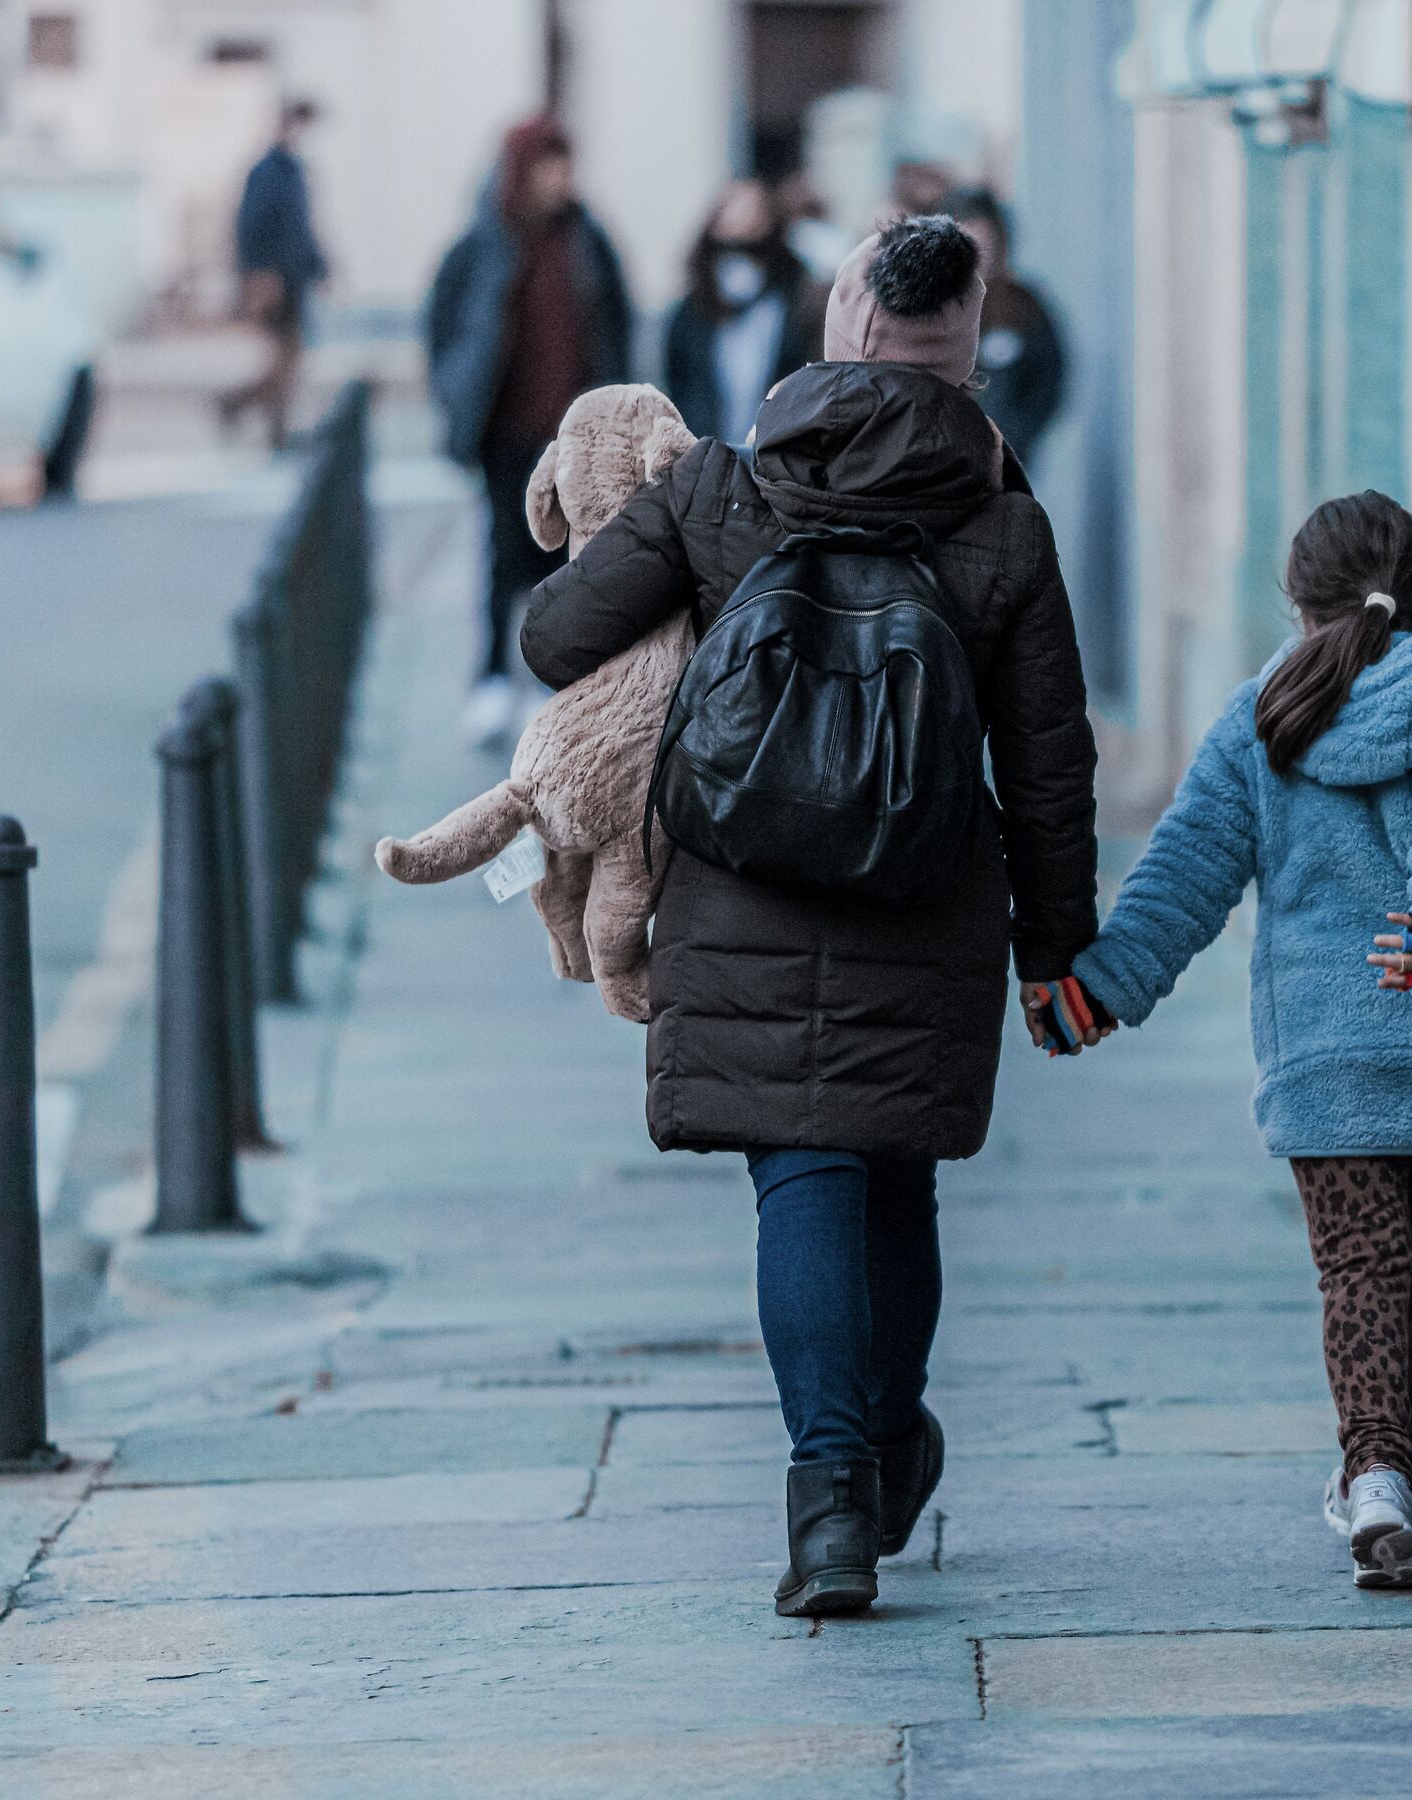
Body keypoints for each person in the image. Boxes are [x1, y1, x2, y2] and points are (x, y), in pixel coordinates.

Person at [520, 217, 1100, 1616]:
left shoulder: (720, 489)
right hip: (928, 896)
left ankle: (830, 1499)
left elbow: (552, 637)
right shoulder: (1005, 520)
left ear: (844, 319)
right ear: (964, 346)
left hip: (744, 894)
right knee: (894, 1173)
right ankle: (888, 1444)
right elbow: (1046, 758)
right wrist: (1057, 955)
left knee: (804, 1175)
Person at [1056, 490, 1412, 1591]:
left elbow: (1182, 878)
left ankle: (1374, 1472)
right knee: (1405, 1270)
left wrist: (1099, 994)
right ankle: (1382, 1477)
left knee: (1361, 1265)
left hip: (1327, 1050)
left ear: (1298, 600)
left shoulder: (1259, 716)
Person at [426, 117, 633, 747]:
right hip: (505, 429)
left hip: (573, 435)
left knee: (568, 557)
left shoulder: (588, 241)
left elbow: (616, 325)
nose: (561, 178)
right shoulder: (483, 244)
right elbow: (443, 327)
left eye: (565, 163)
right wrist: (457, 400)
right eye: (549, 164)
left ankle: (554, 678)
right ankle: (491, 678)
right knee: (504, 553)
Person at [661, 180, 828, 446]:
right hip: (706, 452)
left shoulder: (795, 300)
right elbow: (679, 385)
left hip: (778, 452)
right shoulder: (691, 310)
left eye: (756, 212)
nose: (746, 218)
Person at [219, 99, 328, 453]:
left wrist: (320, 267)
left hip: (294, 279)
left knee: (288, 358)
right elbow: (253, 228)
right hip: (276, 282)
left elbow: (302, 230)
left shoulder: (293, 172)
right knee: (285, 358)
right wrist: (259, 275)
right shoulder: (269, 173)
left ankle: (270, 425)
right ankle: (245, 411)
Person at [947, 189, 1067, 475]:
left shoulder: (1023, 305)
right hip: (945, 465)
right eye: (971, 241)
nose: (980, 252)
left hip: (1006, 463)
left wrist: (1018, 434)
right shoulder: (937, 305)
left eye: (987, 240)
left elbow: (1050, 376)